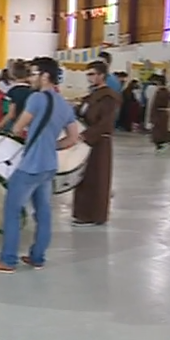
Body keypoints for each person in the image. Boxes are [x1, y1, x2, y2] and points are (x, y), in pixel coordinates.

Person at [0, 57, 80, 273]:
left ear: (45, 76)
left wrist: (26, 134)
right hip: (49, 166)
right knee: (43, 212)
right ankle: (38, 257)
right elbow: (73, 138)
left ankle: (8, 260)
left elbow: (17, 128)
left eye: (34, 74)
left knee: (12, 210)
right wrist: (51, 146)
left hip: (30, 166)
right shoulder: (64, 105)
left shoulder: (37, 98)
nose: (30, 78)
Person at [71, 60, 121, 226]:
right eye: (88, 74)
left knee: (97, 178)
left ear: (102, 75)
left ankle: (94, 214)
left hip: (99, 142)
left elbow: (106, 122)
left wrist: (86, 135)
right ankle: (82, 213)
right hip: (86, 140)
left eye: (92, 74)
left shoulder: (108, 97)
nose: (89, 77)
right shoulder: (91, 95)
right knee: (83, 177)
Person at [148, 75, 170, 153]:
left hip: (158, 113)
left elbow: (155, 104)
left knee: (157, 129)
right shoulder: (167, 91)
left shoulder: (159, 92)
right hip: (164, 113)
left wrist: (151, 116)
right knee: (162, 129)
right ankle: (162, 143)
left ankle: (160, 144)